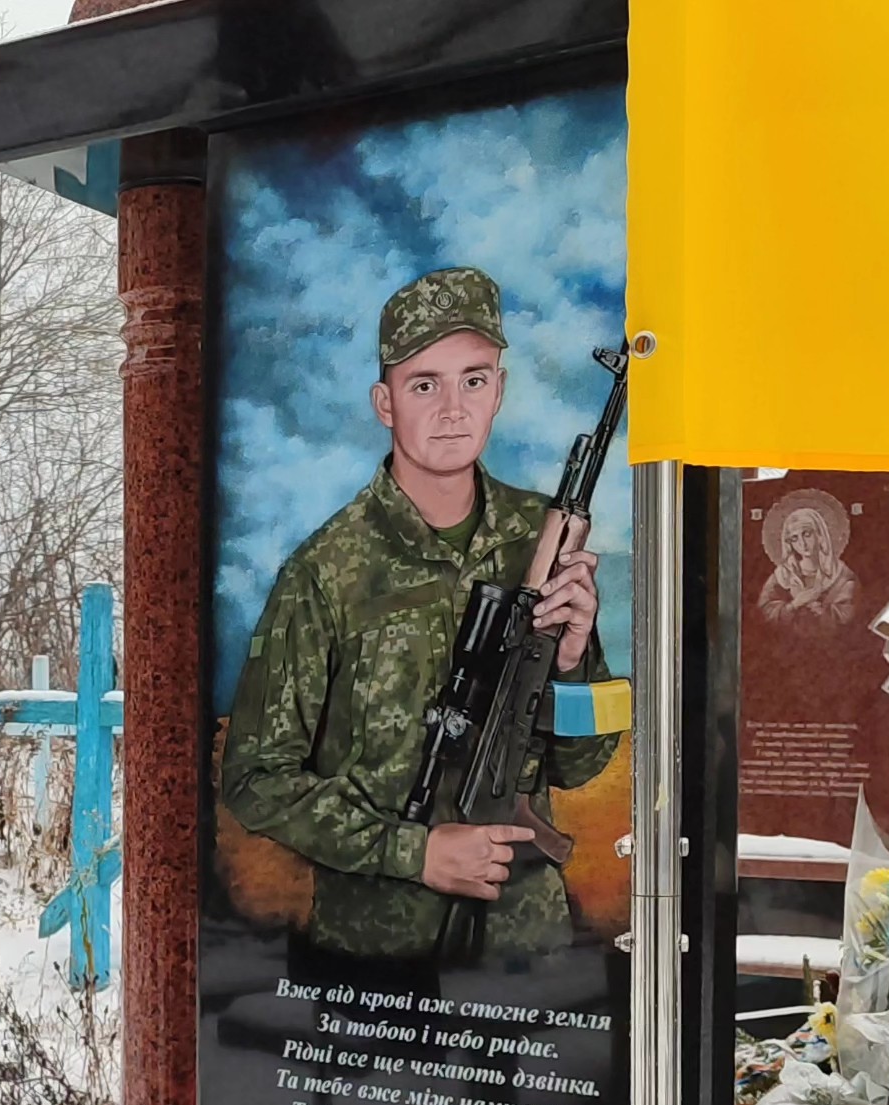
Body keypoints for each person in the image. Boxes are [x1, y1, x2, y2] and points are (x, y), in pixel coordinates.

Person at [221, 266, 618, 963]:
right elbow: (256, 778)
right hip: (376, 961)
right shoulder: (327, 570)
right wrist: (414, 853)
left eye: (473, 379)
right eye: (424, 385)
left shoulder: (540, 540)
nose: (453, 409)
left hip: (528, 954)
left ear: (500, 390)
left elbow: (581, 764)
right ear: (385, 402)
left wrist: (570, 657)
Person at [758, 499, 858, 633]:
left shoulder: (841, 575)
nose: (802, 543)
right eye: (794, 538)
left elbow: (849, 616)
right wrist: (795, 604)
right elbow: (765, 612)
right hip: (786, 642)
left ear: (820, 535)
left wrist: (821, 611)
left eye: (806, 534)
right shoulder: (783, 575)